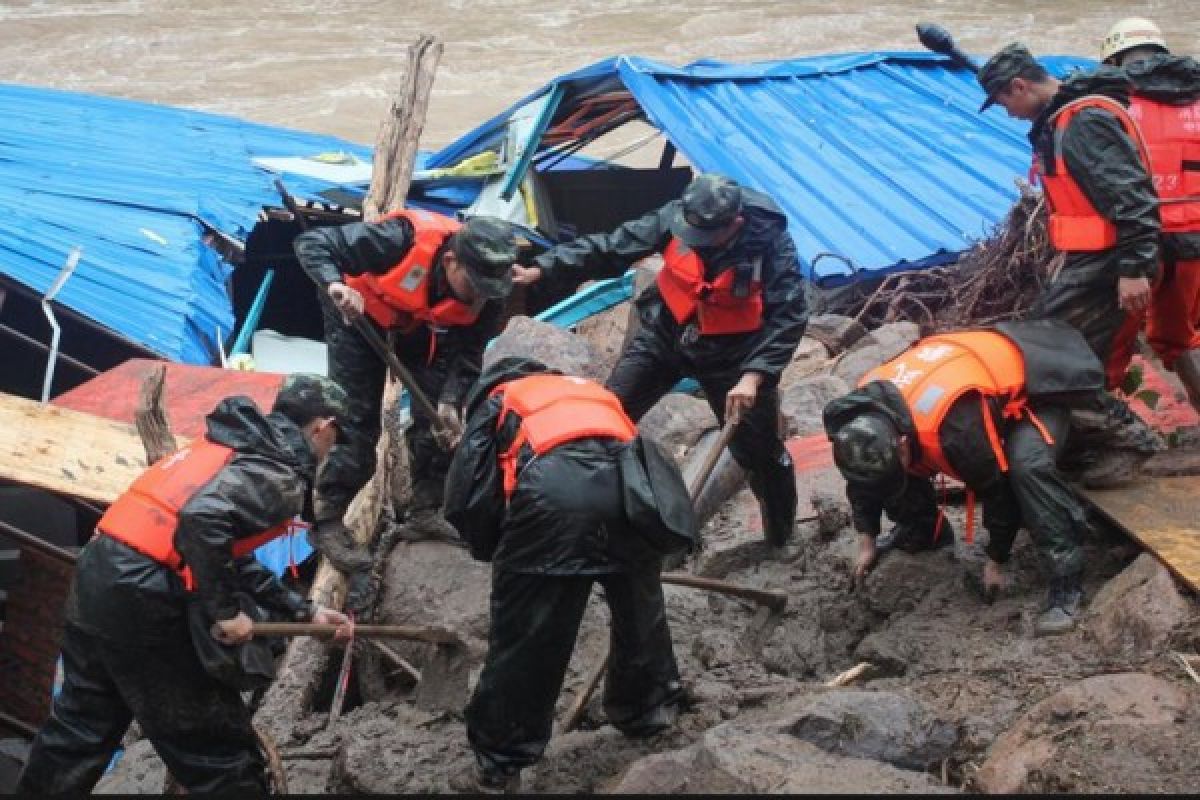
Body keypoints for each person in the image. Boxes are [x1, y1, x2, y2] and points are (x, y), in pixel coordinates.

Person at [15, 376, 355, 794]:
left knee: (79, 731)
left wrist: (305, 610)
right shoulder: (277, 471)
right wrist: (226, 613)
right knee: (217, 750)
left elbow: (219, 549)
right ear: (322, 425)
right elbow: (202, 523)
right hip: (142, 592)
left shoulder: (228, 447)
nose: (330, 453)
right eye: (335, 440)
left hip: (100, 572)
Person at [512, 173, 808, 550]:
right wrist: (546, 267)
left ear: (734, 225)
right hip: (667, 334)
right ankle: (582, 521)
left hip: (736, 355)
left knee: (760, 453)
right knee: (607, 414)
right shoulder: (681, 216)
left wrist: (754, 375)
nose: (694, 242)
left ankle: (780, 539)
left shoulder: (770, 242)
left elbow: (790, 316)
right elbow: (615, 245)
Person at [444, 357, 693, 792]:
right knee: (640, 610)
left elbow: (468, 495)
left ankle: (501, 760)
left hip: (553, 499)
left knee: (530, 634)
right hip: (633, 496)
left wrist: (496, 550)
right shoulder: (593, 392)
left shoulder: (500, 400)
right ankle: (648, 709)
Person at [824, 320, 1106, 637]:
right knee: (890, 474)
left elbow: (997, 491)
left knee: (1028, 468)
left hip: (1037, 386)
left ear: (902, 445)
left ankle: (1067, 584)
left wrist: (995, 561)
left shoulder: (954, 431)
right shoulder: (859, 419)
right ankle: (925, 530)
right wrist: (867, 541)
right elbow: (863, 482)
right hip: (969, 379)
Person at [976, 43, 1164, 483]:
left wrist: (1134, 270)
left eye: (1006, 102)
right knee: (1071, 354)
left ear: (1020, 86)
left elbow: (1133, 198)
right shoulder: (1066, 118)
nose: (1009, 114)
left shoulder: (1083, 123)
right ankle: (1086, 442)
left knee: (1054, 354)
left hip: (1111, 262)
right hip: (1093, 260)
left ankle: (1128, 441)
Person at [293, 210, 518, 570]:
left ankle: (425, 509)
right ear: (450, 262)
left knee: (441, 422)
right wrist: (335, 284)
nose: (479, 298)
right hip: (358, 315)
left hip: (417, 326)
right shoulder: (397, 240)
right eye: (473, 285)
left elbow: (469, 354)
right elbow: (313, 243)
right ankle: (328, 520)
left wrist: (450, 401)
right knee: (357, 421)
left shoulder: (491, 291)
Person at [1100, 18, 1200, 411]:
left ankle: (1105, 425)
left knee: (1116, 338)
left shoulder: (1112, 102)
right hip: (1196, 236)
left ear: (1114, 59)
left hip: (1143, 238)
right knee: (1185, 332)